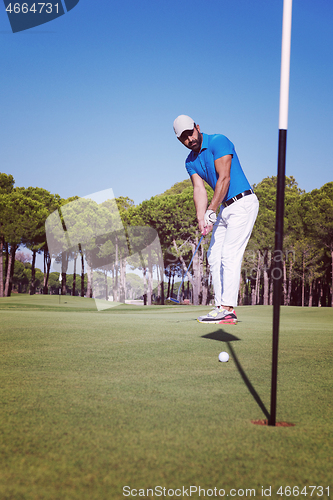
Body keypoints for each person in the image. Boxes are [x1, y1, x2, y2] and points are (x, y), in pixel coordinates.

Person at [173, 115, 259, 324]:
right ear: (180, 140)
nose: (189, 139)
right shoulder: (190, 162)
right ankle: (221, 306)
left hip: (243, 202)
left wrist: (211, 210)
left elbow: (224, 178)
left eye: (190, 133)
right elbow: (198, 189)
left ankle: (228, 310)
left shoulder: (218, 141)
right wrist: (202, 217)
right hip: (225, 208)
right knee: (213, 255)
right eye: (184, 137)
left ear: (198, 127)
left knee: (229, 255)